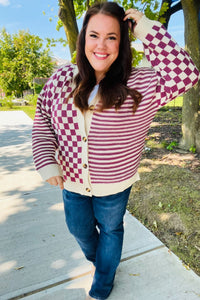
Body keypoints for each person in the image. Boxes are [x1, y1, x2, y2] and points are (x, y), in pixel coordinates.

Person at [32, 2, 199, 299]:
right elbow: (43, 117)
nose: (102, 45)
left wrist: (145, 27)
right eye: (94, 35)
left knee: (110, 230)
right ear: (83, 38)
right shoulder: (60, 79)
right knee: (79, 229)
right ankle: (103, 264)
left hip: (115, 184)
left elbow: (187, 74)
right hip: (71, 181)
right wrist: (46, 160)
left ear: (122, 42)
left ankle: (103, 280)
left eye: (112, 37)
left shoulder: (143, 82)